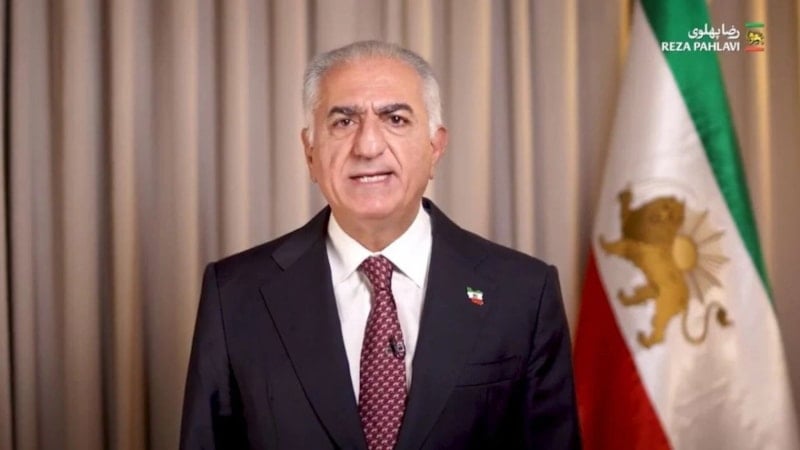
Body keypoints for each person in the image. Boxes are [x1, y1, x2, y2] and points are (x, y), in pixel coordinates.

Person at [180, 40, 581, 450]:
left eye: (395, 119)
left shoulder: (524, 293)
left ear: (435, 146)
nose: (368, 146)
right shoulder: (234, 294)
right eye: (343, 122)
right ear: (310, 152)